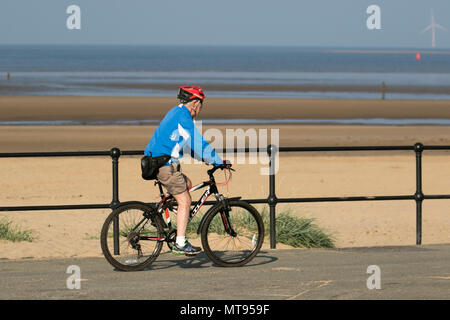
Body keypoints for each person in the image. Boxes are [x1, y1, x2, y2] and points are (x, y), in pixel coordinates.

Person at [144, 85, 225, 255]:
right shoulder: (184, 117)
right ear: (195, 103)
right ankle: (180, 242)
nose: (201, 109)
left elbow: (185, 145)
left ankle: (159, 211)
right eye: (201, 104)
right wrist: (217, 161)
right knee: (185, 201)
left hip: (157, 161)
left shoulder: (176, 112)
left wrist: (205, 159)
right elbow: (197, 141)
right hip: (165, 165)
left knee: (186, 183)